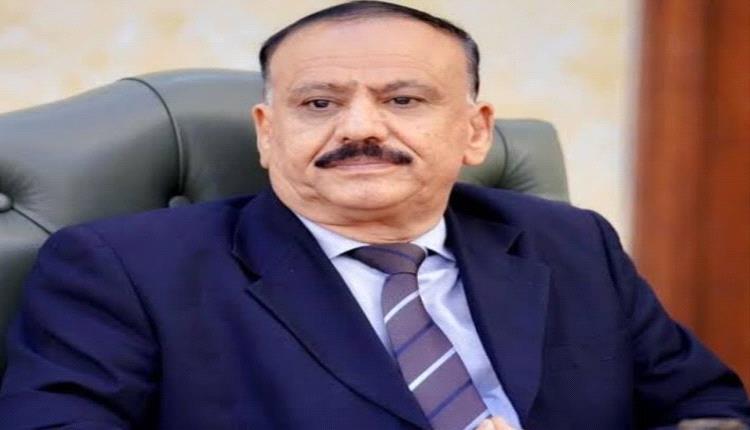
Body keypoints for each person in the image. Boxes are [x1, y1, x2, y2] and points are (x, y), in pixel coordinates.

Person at [0, 1, 748, 429]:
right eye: (318, 103)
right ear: (267, 133)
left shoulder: (571, 243)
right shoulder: (125, 269)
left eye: (404, 99)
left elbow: (706, 408)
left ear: (475, 131)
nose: (360, 127)